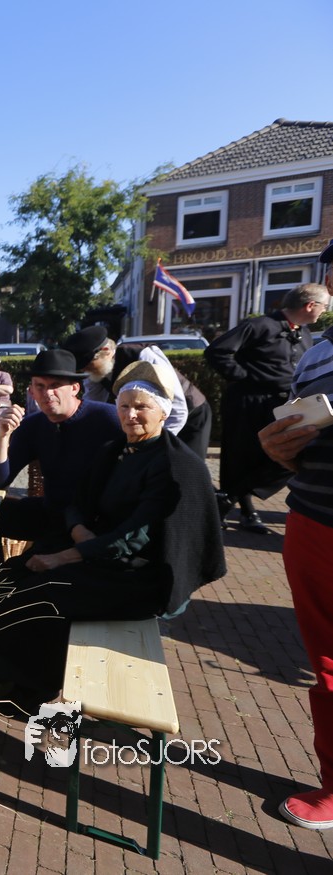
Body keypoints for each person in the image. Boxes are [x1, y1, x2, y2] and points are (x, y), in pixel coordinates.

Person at [0, 361, 226, 700]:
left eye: (142, 407)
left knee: (45, 593)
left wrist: (64, 556)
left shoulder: (174, 466)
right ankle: (0, 669)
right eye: (124, 406)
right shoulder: (118, 449)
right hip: (100, 552)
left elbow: (135, 538)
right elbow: (79, 499)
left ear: (164, 413)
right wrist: (78, 529)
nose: (131, 415)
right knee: (15, 572)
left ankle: (31, 693)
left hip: (140, 576)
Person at [258, 240, 333, 830]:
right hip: (311, 522)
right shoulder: (316, 354)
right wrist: (278, 450)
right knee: (327, 664)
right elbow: (299, 444)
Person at [206, 283, 329, 533]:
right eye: (324, 306)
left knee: (287, 455)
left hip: (281, 404)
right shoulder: (259, 325)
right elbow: (217, 352)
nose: (325, 311)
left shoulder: (305, 334)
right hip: (248, 402)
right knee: (240, 456)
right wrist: (244, 378)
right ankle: (246, 512)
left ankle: (228, 497)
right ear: (310, 305)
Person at [0, 349, 123, 552]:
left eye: (55, 385)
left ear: (74, 388)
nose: (47, 393)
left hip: (97, 522)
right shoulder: (32, 426)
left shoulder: (108, 419)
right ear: (31, 391)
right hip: (52, 515)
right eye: (40, 386)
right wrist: (2, 436)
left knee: (26, 570)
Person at [62, 325, 212, 459]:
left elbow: (178, 410)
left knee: (185, 465)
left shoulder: (143, 355)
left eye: (88, 364)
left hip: (190, 414)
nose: (85, 370)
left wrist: (154, 445)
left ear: (106, 351)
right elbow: (93, 407)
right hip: (152, 420)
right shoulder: (93, 372)